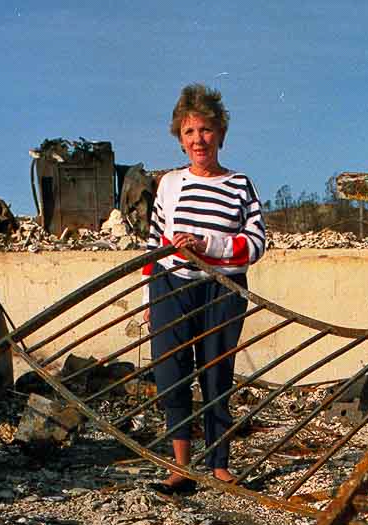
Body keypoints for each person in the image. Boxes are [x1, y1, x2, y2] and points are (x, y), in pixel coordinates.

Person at [143, 84, 266, 494]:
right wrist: (148, 298)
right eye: (190, 131)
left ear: (220, 135)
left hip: (222, 289)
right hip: (171, 286)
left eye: (207, 130)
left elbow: (257, 243)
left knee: (216, 372)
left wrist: (208, 246)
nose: (199, 140)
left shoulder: (240, 184)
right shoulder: (169, 184)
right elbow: (154, 241)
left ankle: (219, 463)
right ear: (180, 138)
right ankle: (180, 466)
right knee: (171, 373)